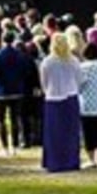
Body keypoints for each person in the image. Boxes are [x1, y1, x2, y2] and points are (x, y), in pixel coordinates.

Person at [40, 30, 82, 173]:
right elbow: (79, 79)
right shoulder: (74, 61)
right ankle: (71, 161)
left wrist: (48, 90)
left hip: (53, 98)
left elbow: (44, 82)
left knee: (54, 133)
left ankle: (54, 161)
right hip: (70, 96)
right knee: (70, 132)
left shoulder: (47, 62)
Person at [0, 31, 28, 157]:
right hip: (17, 90)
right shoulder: (20, 55)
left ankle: (5, 147)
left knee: (0, 119)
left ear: (2, 40)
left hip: (2, 91)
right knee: (15, 118)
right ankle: (15, 146)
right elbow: (25, 71)